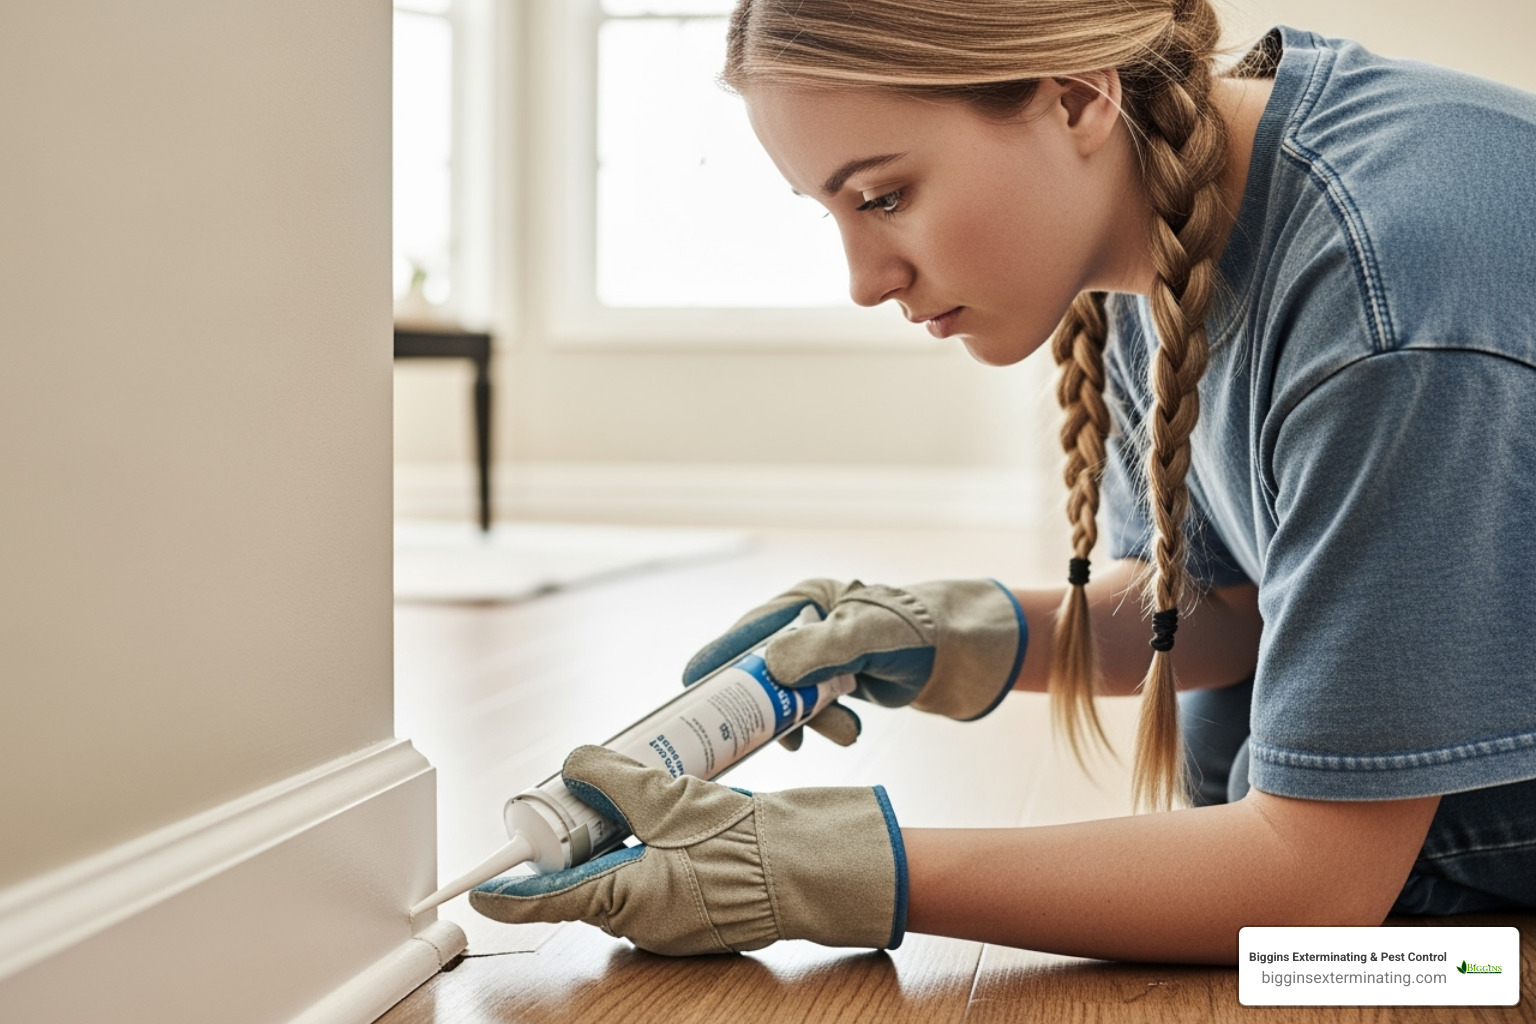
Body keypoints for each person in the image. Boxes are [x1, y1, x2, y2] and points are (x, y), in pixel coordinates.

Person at [470, 0, 1536, 962]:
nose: (862, 280)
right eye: (829, 212)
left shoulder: (1390, 305)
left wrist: (823, 865)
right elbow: (1245, 611)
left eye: (885, 197)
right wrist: (940, 632)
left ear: (1075, 98)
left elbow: (1315, 882)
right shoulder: (1171, 210)